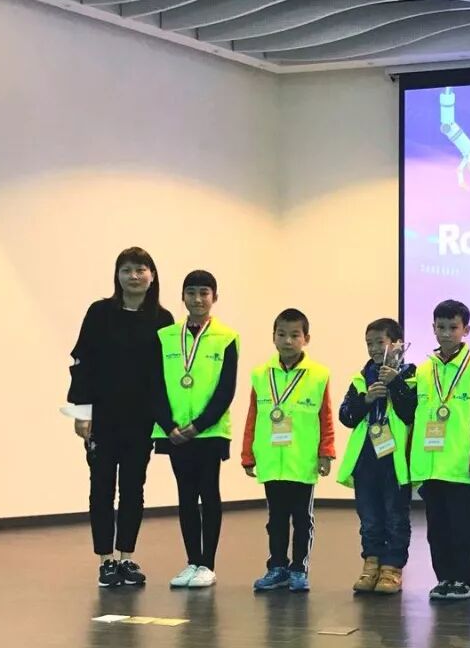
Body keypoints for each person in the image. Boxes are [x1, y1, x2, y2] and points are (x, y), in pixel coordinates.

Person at [67, 247, 174, 588]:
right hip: (102, 418)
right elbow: (82, 362)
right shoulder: (99, 313)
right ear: (117, 275)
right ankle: (105, 560)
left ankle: (126, 557)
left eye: (140, 269)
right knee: (101, 487)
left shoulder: (163, 319)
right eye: (126, 270)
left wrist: (166, 420)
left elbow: (165, 375)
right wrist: (81, 412)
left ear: (152, 276)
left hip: (141, 420)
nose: (133, 276)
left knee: (133, 487)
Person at [151, 270, 239, 589]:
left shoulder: (227, 337)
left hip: (209, 432)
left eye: (204, 292)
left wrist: (198, 425)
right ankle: (192, 561)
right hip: (174, 432)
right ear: (183, 297)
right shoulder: (165, 336)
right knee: (185, 496)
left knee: (208, 493)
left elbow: (226, 389)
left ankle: (207, 565)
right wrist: (169, 425)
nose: (198, 299)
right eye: (191, 292)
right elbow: (154, 384)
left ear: (215, 297)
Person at [240, 309, 335, 593]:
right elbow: (253, 416)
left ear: (306, 338)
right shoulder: (260, 374)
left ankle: (298, 568)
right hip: (271, 459)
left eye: (295, 335)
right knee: (276, 519)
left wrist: (326, 452)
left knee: (302, 519)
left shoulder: (319, 375)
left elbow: (326, 417)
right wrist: (248, 454)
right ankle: (277, 567)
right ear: (273, 337)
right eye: (282, 334)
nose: (288, 341)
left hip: (302, 461)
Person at [409, 299, 470, 601]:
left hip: (458, 462)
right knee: (436, 527)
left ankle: (463, 579)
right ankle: (444, 577)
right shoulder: (422, 370)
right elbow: (414, 417)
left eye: (453, 327)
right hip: (429, 463)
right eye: (440, 327)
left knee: (460, 526)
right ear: (433, 328)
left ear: (465, 330)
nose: (446, 333)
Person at [337, 318, 418, 595]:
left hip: (396, 460)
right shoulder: (361, 378)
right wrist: (366, 400)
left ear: (396, 344)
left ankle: (392, 568)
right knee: (369, 517)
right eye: (369, 343)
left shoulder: (412, 376)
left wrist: (395, 384)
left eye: (379, 343)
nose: (373, 348)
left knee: (396, 516)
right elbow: (346, 416)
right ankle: (370, 564)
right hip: (366, 460)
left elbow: (411, 412)